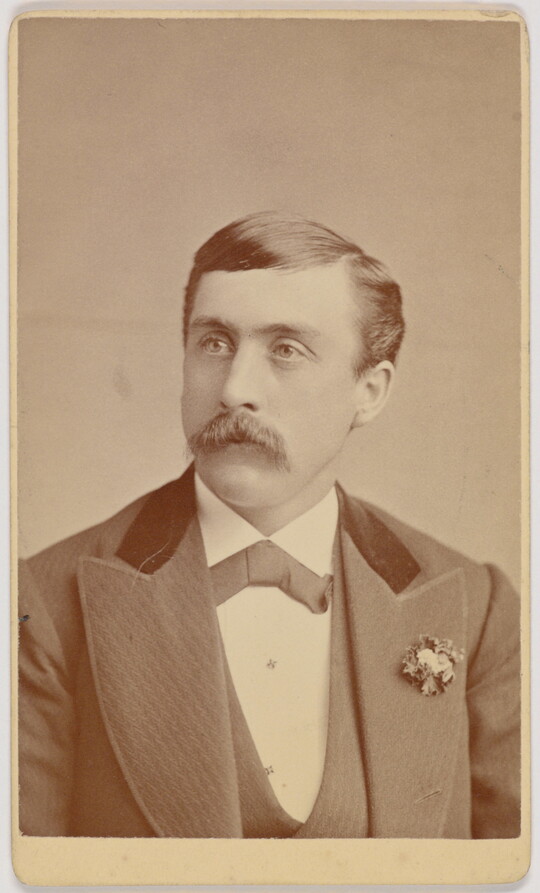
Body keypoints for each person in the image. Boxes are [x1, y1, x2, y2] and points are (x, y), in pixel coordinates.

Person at [18, 211, 520, 839]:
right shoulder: (45, 603)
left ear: (370, 391)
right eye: (214, 343)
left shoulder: (475, 608)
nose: (233, 388)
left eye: (286, 349)